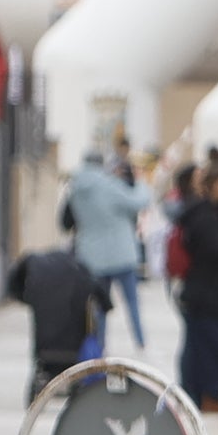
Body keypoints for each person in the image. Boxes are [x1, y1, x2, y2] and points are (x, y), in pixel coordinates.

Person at [170, 158, 218, 413]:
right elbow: (216, 251)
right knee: (205, 347)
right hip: (205, 293)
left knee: (210, 344)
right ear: (211, 185)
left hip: (217, 292)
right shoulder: (201, 216)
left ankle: (205, 396)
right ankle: (204, 396)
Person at [65, 147, 155, 349]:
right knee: (132, 303)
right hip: (120, 252)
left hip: (91, 256)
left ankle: (100, 345)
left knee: (99, 305)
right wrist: (140, 182)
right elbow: (138, 202)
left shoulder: (75, 188)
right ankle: (140, 342)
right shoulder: (108, 185)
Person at [4, 240, 99, 400]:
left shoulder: (34, 263)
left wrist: (27, 298)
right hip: (73, 345)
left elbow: (12, 284)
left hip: (45, 345)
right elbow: (100, 292)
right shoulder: (79, 269)